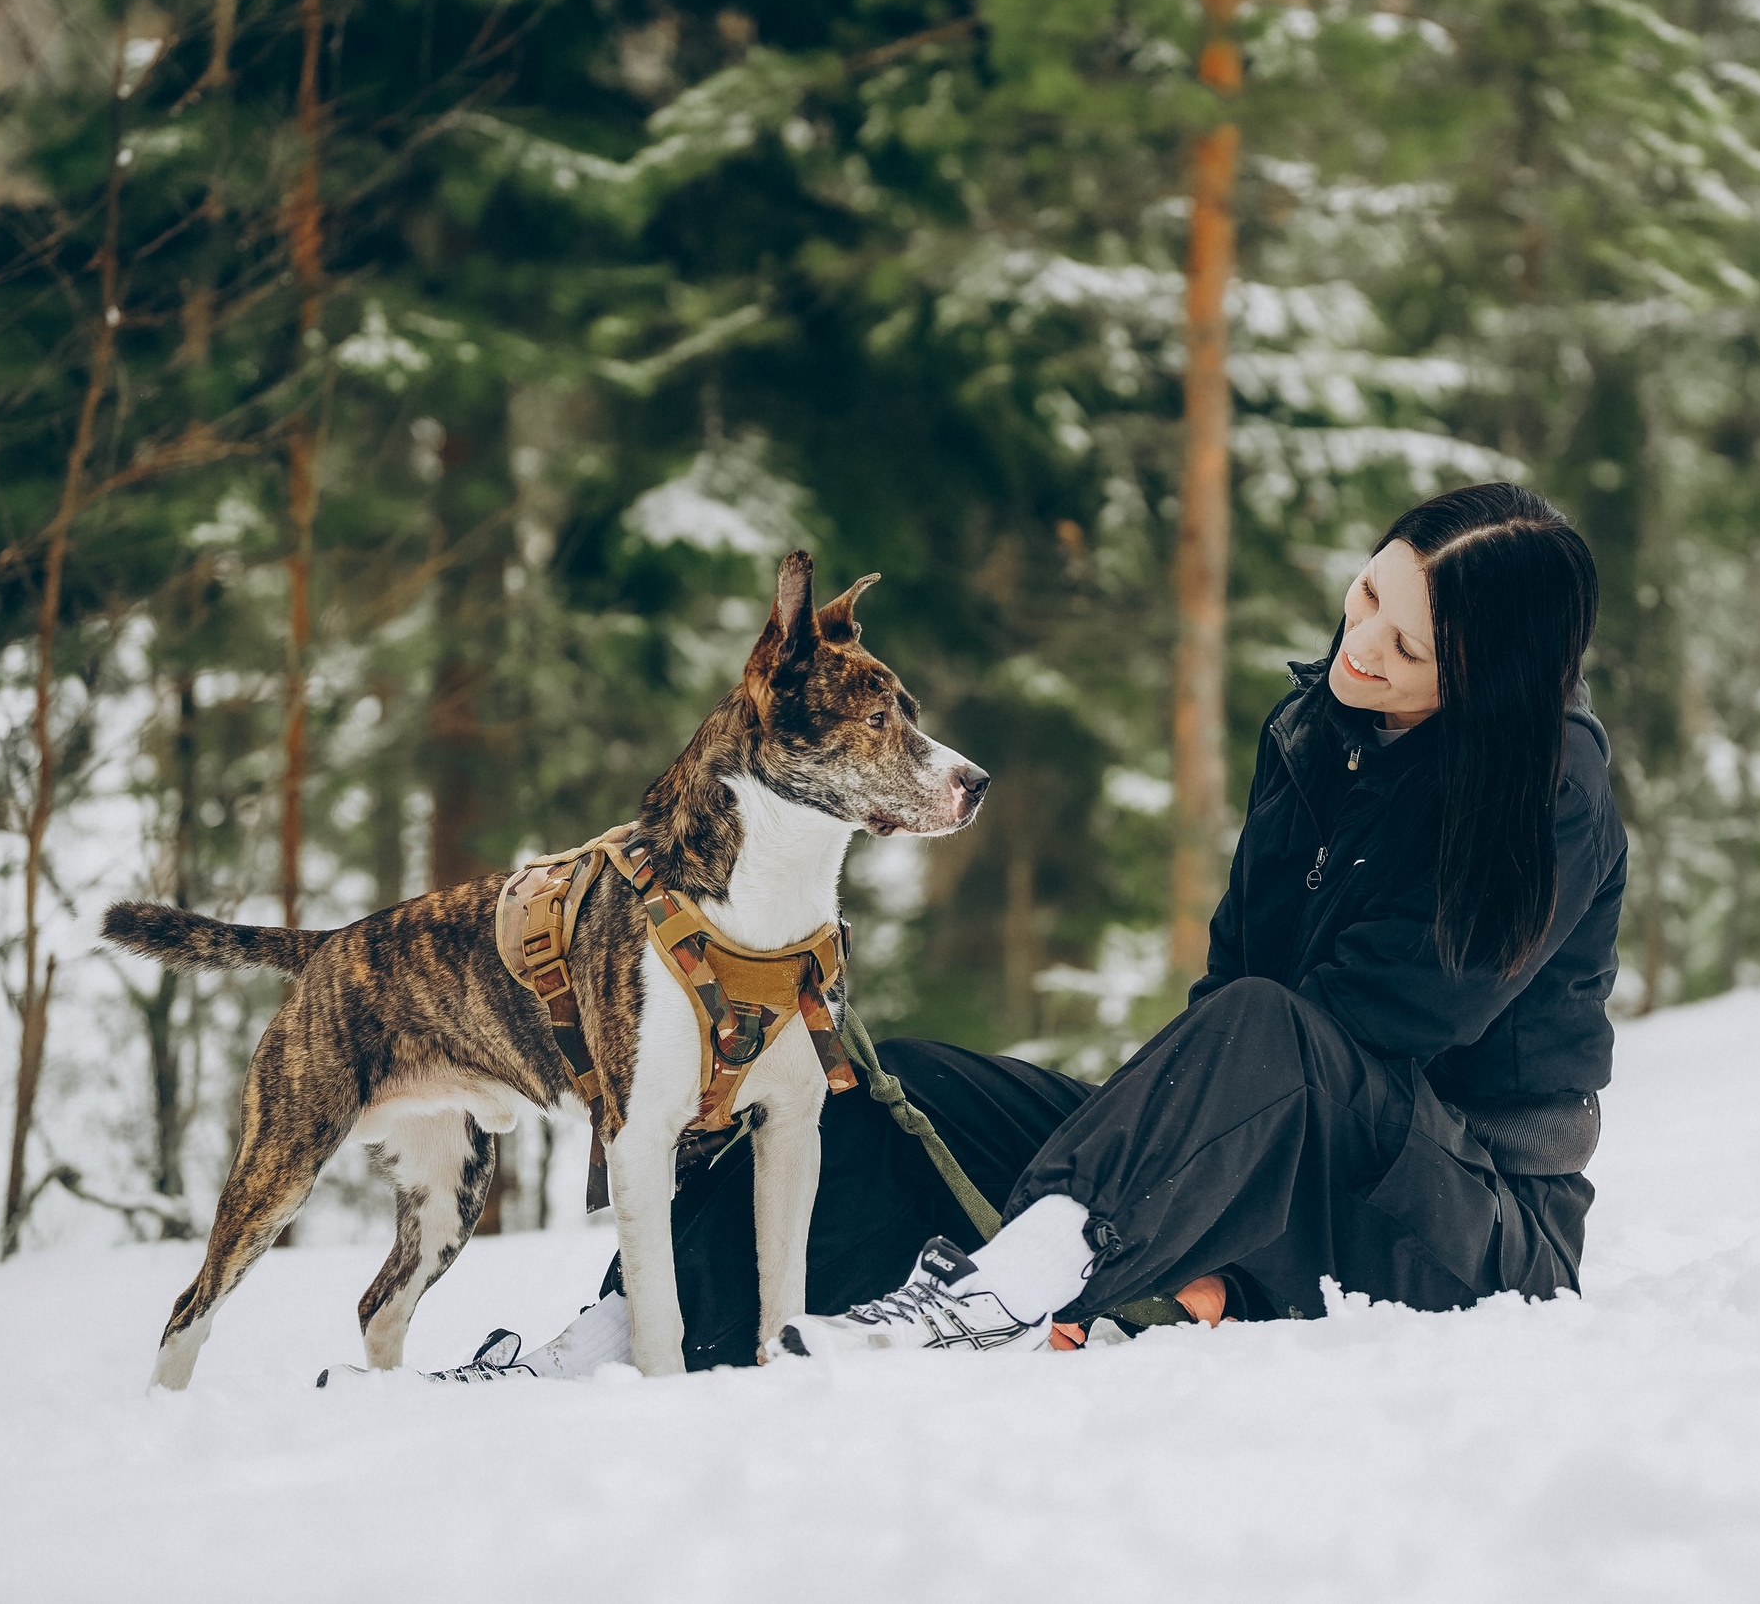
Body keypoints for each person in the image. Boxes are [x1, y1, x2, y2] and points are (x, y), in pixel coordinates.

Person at [438, 482, 1625, 1380]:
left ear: (1489, 681)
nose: (1360, 647)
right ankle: (626, 1331)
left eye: (1408, 648)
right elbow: (1237, 992)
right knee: (905, 1088)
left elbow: (1351, 1038)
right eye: (1367, 596)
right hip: (1261, 1130)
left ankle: (1011, 1284)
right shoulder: (1323, 723)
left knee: (1273, 1030)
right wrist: (1149, 1158)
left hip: (1455, 1228)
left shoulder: (1544, 796)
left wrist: (1194, 1250)